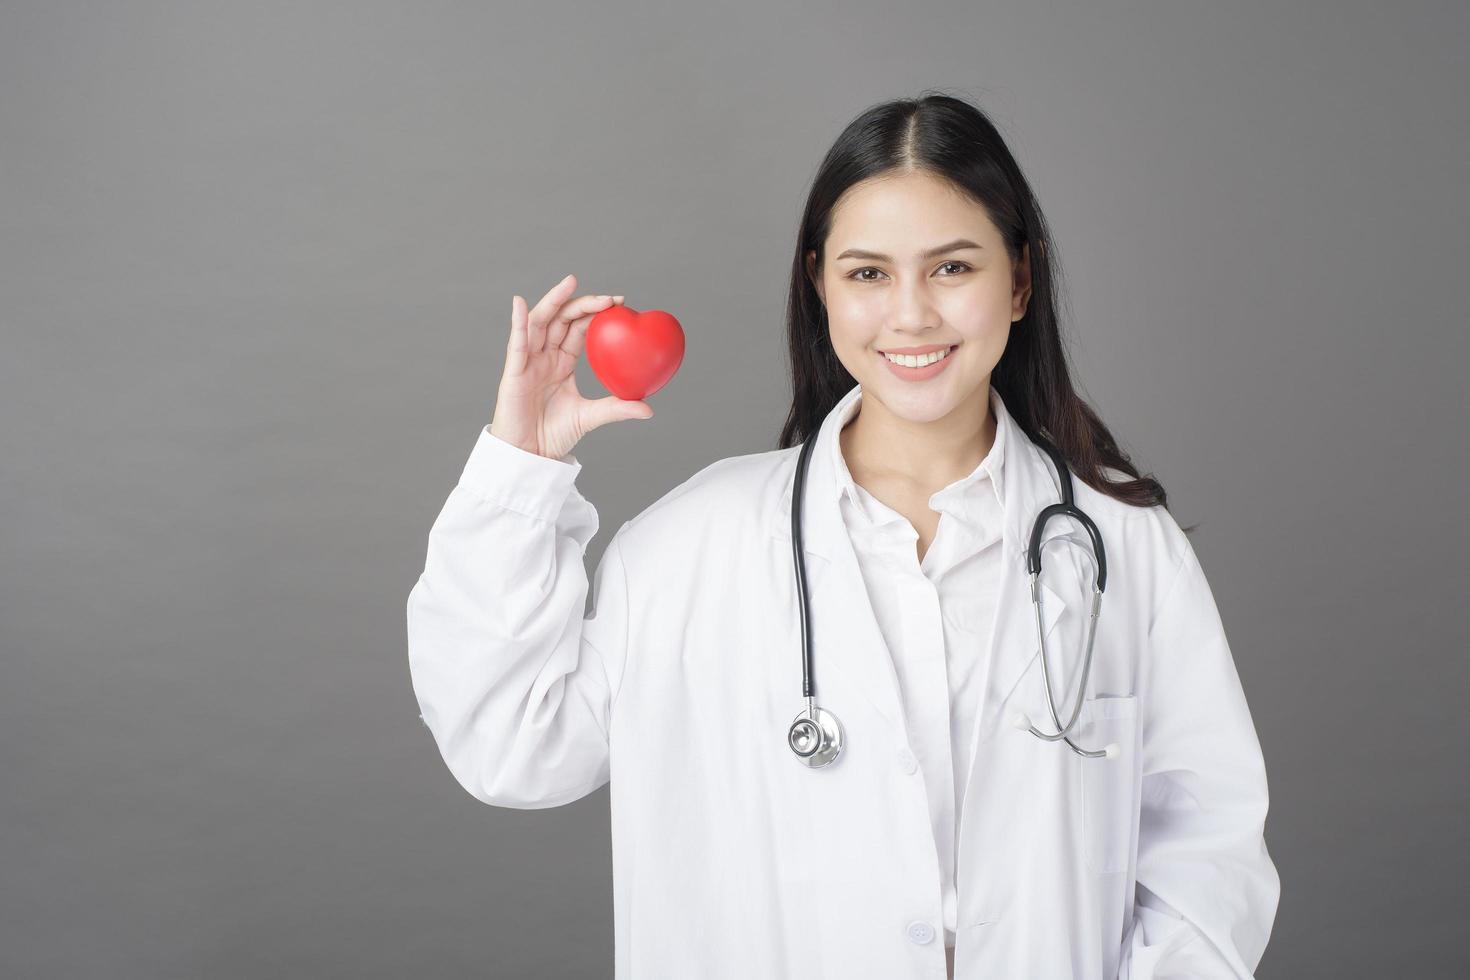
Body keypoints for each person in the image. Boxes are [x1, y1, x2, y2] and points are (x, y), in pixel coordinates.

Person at [406, 91, 1280, 979]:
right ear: (819, 283)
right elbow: (510, 744)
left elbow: (1205, 850)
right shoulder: (688, 548)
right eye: (867, 274)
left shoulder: (1120, 543)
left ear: (1019, 280)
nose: (910, 316)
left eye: (951, 269)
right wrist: (523, 466)